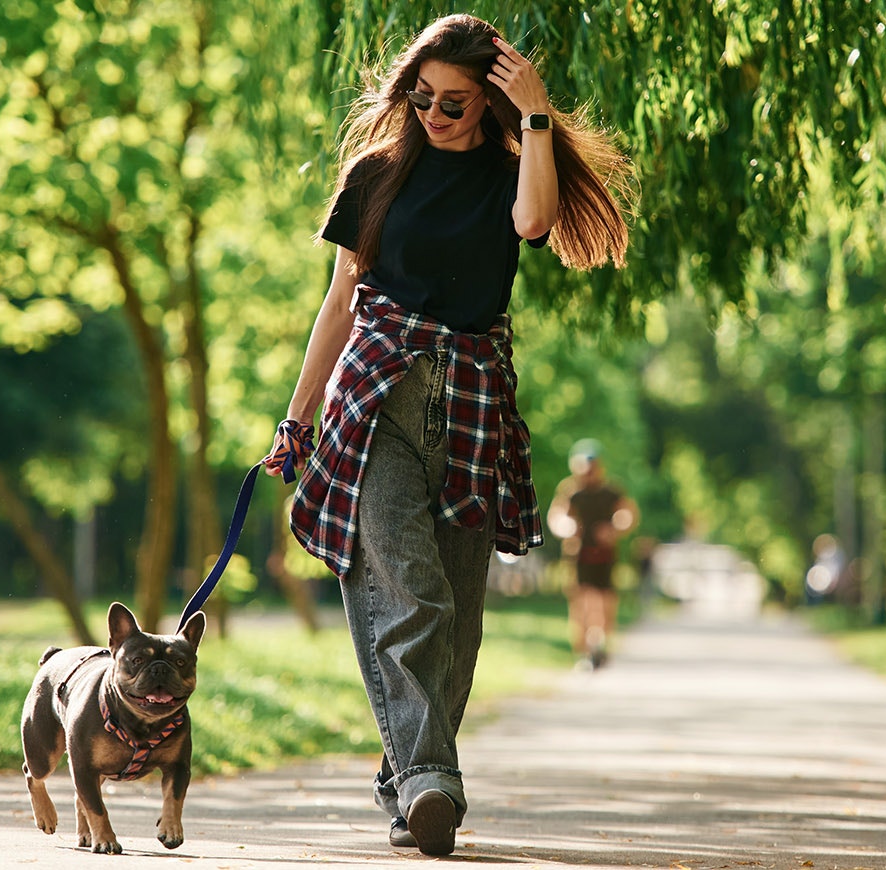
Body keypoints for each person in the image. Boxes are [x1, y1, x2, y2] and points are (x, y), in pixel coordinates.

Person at [261, 13, 631, 857]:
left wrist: (534, 112)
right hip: (376, 395)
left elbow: (535, 221)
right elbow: (339, 300)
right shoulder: (376, 176)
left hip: (474, 401)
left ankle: (408, 784)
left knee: (458, 622)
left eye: (455, 103)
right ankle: (432, 781)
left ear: (489, 103)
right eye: (422, 97)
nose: (434, 113)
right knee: (410, 591)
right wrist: (298, 414)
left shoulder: (511, 172)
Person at [546, 439, 637, 669]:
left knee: (605, 605)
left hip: (605, 558)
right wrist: (566, 526)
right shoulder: (570, 491)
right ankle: (585, 652)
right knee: (582, 604)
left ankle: (600, 643)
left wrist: (614, 529)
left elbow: (628, 514)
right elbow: (556, 516)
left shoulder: (611, 491)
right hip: (579, 558)